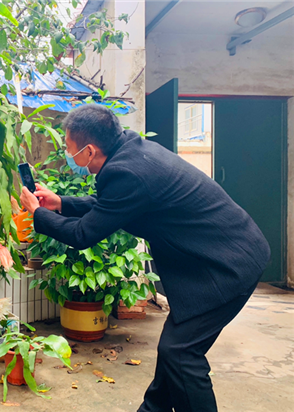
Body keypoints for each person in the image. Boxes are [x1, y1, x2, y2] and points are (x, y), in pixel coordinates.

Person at [20, 104, 270, 412]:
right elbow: (111, 204)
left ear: (89, 151)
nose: (69, 155)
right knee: (174, 352)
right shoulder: (129, 150)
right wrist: (61, 202)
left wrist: (37, 213)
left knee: (181, 354)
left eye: (69, 148)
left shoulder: (127, 172)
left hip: (227, 265)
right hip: (220, 254)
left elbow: (82, 234)